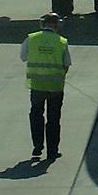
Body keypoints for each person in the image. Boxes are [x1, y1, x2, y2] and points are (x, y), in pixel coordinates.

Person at [20, 12, 71, 161]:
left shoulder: (31, 38)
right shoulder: (61, 41)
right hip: (55, 87)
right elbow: (66, 64)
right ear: (57, 25)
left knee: (36, 115)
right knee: (53, 119)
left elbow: (23, 57)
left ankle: (37, 147)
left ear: (42, 24)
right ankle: (52, 151)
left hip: (36, 86)